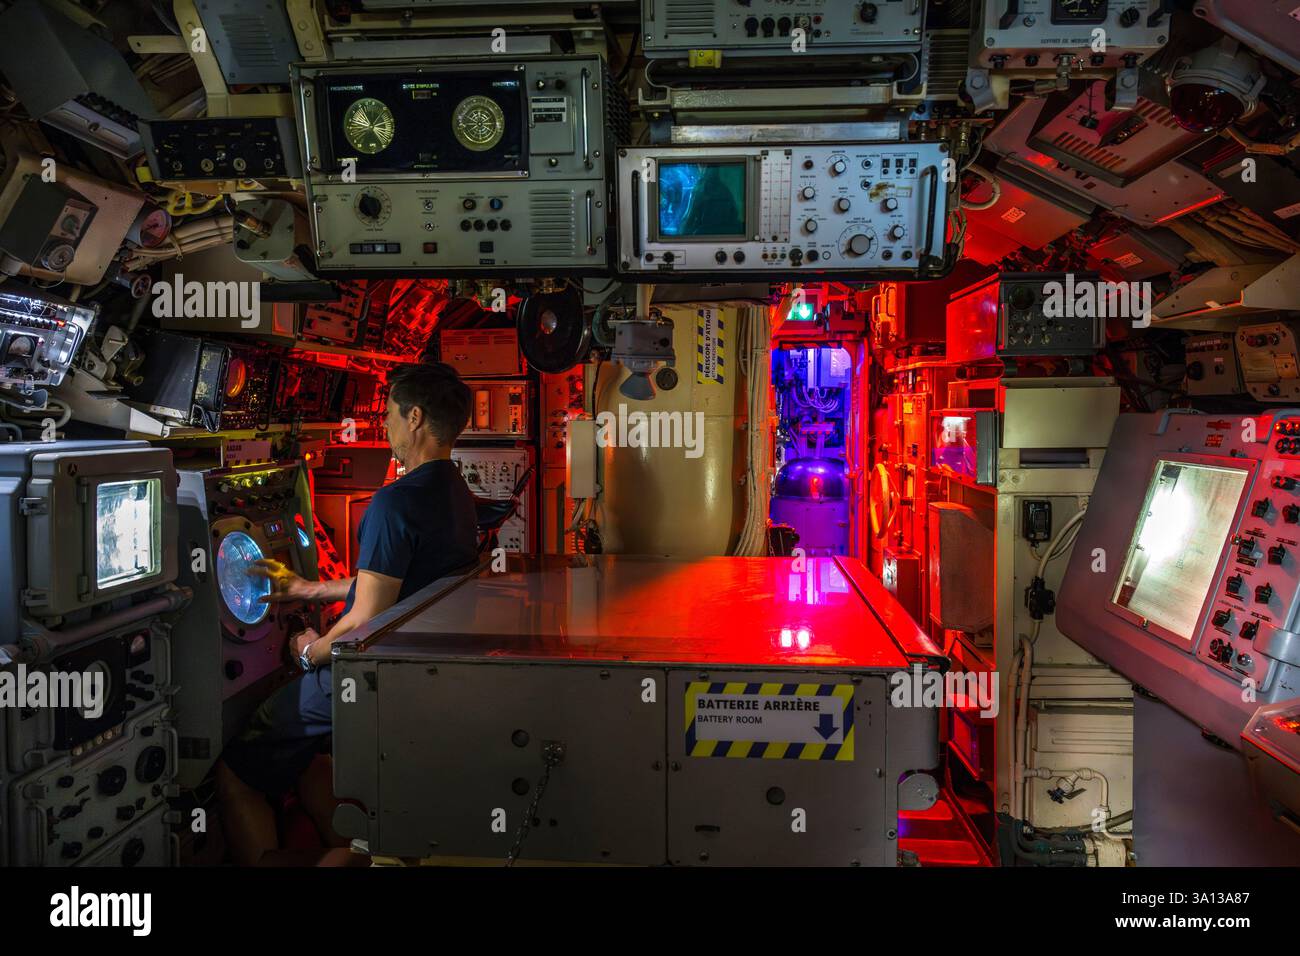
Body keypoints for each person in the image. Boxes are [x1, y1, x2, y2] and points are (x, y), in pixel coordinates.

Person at [214, 362, 479, 866]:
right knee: (308, 754)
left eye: (390, 415)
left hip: (371, 676)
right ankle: (344, 848)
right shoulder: (454, 492)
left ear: (415, 417)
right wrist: (309, 587)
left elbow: (365, 619)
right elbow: (399, 582)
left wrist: (309, 652)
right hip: (418, 672)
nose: (386, 426)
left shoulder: (393, 503)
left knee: (235, 772)